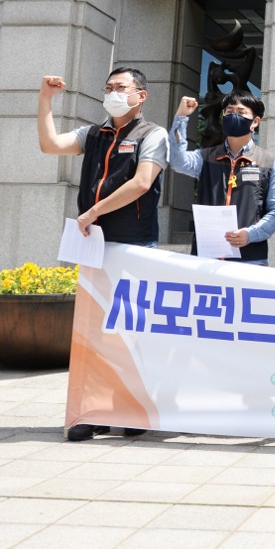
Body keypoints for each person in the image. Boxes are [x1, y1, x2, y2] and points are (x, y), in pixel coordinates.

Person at [38, 68, 167, 441]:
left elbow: (142, 182)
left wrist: (94, 211)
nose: (112, 93)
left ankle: (130, 410)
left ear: (140, 95)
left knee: (129, 332)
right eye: (108, 87)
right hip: (94, 244)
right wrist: (46, 100)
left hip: (135, 243)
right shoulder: (93, 134)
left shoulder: (152, 134)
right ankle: (88, 411)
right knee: (92, 334)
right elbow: (50, 145)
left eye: (120, 88)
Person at [168, 91, 275, 264]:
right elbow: (177, 161)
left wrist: (250, 234)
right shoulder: (206, 157)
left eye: (241, 111)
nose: (234, 116)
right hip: (205, 258)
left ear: (255, 122)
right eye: (229, 112)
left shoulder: (269, 162)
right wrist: (181, 117)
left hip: (250, 258)